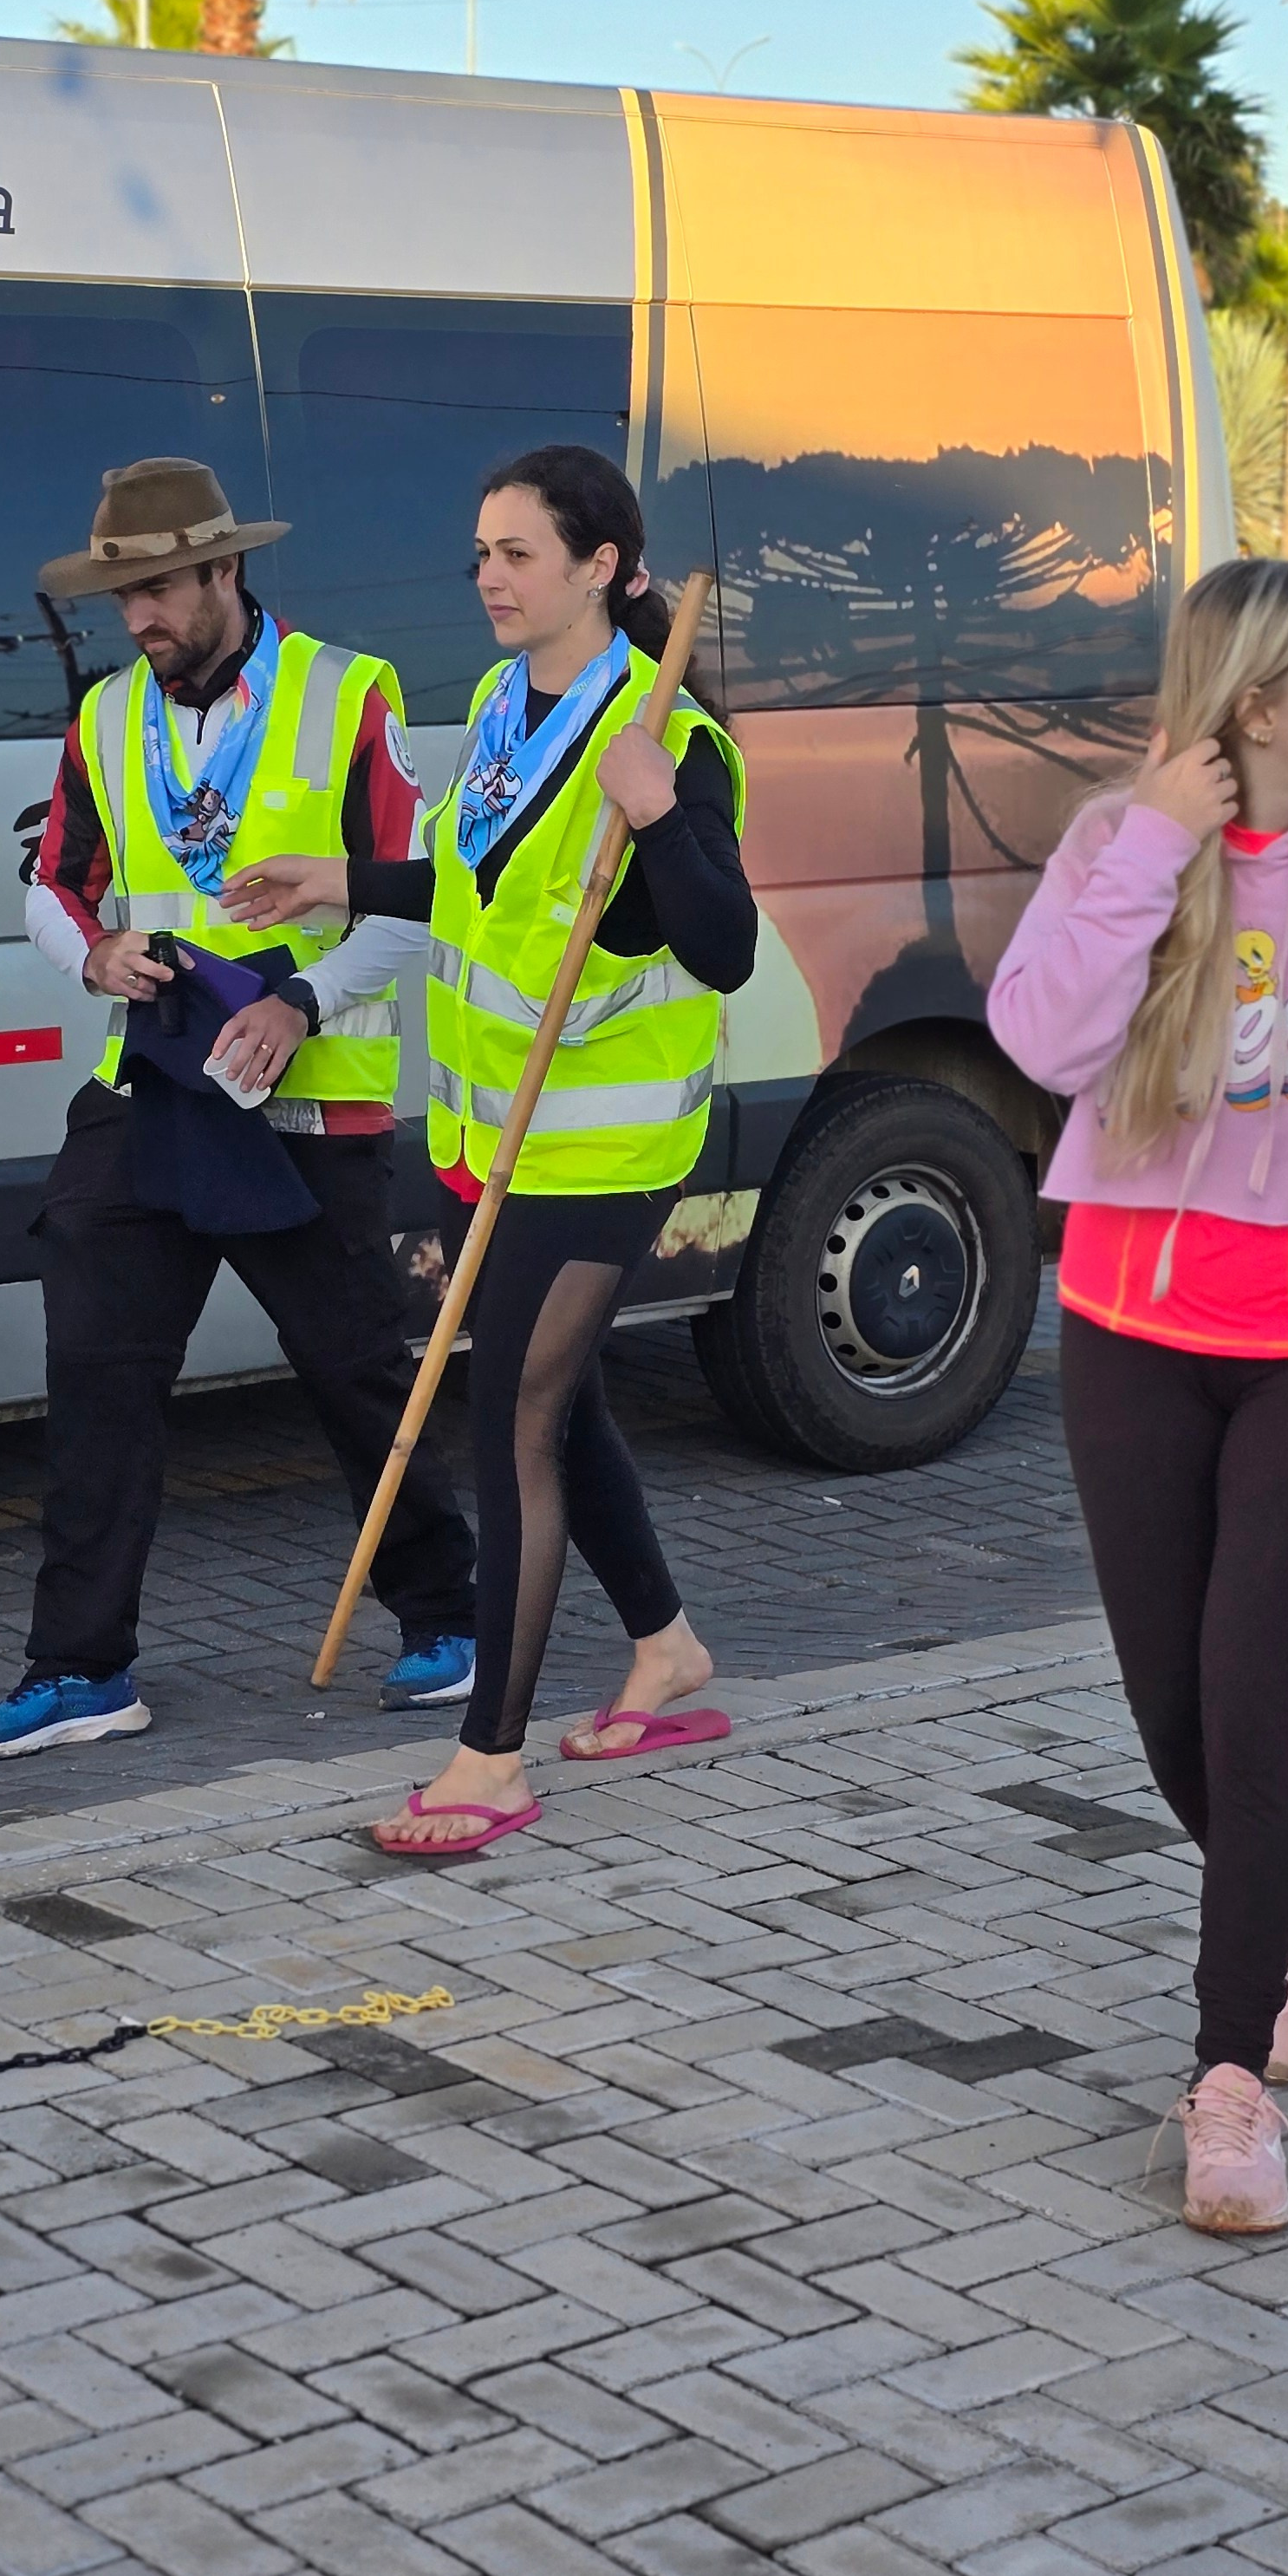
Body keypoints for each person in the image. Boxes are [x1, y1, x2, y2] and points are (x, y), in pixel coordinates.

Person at [225, 444, 758, 1855]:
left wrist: (654, 812)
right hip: (494, 1137)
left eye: (517, 553)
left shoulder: (667, 738)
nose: (487, 578)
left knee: (511, 1413)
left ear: (603, 569)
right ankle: (663, 1652)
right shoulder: (503, 711)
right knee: (557, 1404)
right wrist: (341, 880)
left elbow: (724, 945)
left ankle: (492, 1759)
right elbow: (474, 885)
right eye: (480, 552)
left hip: (605, 1148)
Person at [988, 558, 1288, 2235]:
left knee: (1254, 1713)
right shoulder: (1124, 844)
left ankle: (1225, 2084)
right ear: (1256, 706)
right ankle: (1284, 1892)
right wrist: (1161, 840)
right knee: (1174, 1717)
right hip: (1129, 1329)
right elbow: (1035, 1043)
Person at [0, 456, 478, 1758]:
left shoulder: (351, 694)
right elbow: (53, 887)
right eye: (125, 595)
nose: (142, 617)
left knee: (355, 1375)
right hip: (147, 1092)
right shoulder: (108, 715)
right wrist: (94, 958)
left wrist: (298, 999)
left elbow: (421, 905)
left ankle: (449, 1619)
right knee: (97, 1378)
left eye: (165, 588)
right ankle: (81, 1670)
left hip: (307, 1104)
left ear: (227, 572)